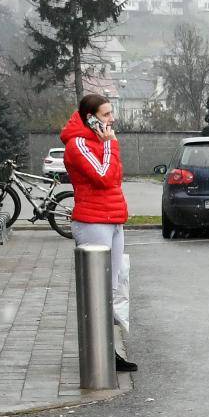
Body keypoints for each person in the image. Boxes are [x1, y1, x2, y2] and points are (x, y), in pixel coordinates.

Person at [62, 94, 136, 372]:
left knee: (113, 288)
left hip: (113, 219)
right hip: (94, 221)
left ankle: (109, 350)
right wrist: (110, 145)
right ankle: (99, 353)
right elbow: (103, 176)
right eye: (106, 115)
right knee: (98, 289)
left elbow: (114, 177)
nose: (111, 119)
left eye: (111, 113)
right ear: (90, 117)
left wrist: (108, 147)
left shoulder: (99, 143)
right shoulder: (78, 144)